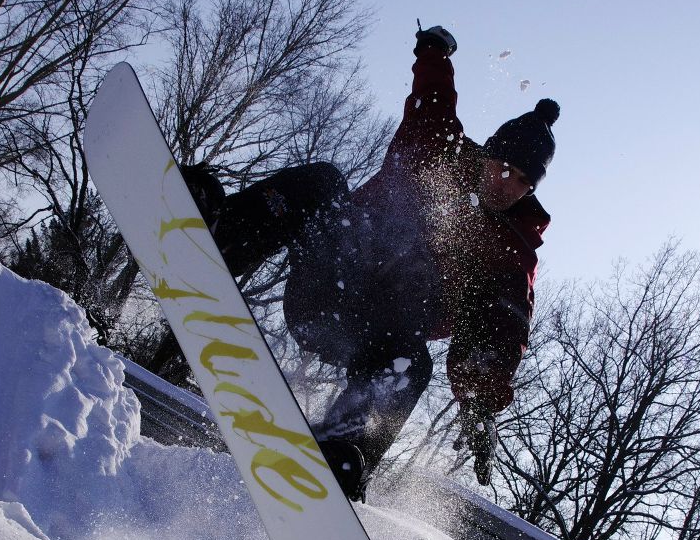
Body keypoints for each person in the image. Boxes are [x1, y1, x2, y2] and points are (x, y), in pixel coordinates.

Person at [181, 24, 559, 498]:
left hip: (376, 336)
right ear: (488, 155)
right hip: (328, 281)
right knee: (324, 184)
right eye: (503, 166)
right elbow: (433, 104)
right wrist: (434, 52)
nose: (507, 184)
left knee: (411, 366)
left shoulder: (509, 253)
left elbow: (501, 325)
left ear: (530, 189)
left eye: (522, 181)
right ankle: (222, 236)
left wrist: (480, 403)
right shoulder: (438, 152)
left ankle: (343, 451)